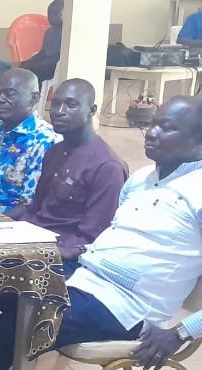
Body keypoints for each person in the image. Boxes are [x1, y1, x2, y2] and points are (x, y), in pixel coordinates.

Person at [0, 95, 202, 370]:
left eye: (167, 127)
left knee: (29, 311)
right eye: (153, 124)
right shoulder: (143, 179)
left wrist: (182, 332)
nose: (152, 132)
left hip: (128, 307)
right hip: (85, 279)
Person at [15, 78, 127, 265]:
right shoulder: (55, 152)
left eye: (71, 105)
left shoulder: (107, 167)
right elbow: (35, 209)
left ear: (92, 110)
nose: (59, 111)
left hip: (63, 257)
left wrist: (38, 253)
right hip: (31, 237)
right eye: (56, 104)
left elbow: (92, 237)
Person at [0, 68, 59, 212]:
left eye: (10, 94)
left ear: (34, 99)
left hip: (8, 219)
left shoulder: (44, 140)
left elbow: (29, 205)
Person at [20, 0, 64, 82]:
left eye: (55, 14)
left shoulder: (66, 33)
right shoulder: (49, 32)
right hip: (45, 63)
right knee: (22, 68)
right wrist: (30, 61)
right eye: (49, 13)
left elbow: (57, 58)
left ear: (66, 15)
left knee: (33, 73)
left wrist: (36, 64)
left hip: (55, 66)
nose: (51, 17)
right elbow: (43, 52)